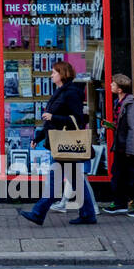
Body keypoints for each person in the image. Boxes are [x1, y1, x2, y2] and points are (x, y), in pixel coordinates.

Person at [18, 60, 97, 225]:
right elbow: (50, 122)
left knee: (55, 180)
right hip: (60, 144)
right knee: (76, 180)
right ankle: (88, 214)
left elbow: (78, 119)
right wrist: (38, 138)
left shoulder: (71, 93)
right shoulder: (61, 91)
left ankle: (38, 213)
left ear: (62, 74)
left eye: (54, 72)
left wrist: (54, 117)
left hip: (66, 145)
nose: (51, 75)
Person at [102, 73, 134, 217]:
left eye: (113, 84)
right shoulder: (118, 103)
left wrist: (130, 150)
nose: (110, 85)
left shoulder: (130, 104)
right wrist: (112, 125)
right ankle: (120, 204)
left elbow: (133, 128)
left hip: (129, 147)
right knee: (118, 175)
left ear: (120, 89)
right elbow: (122, 126)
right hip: (121, 145)